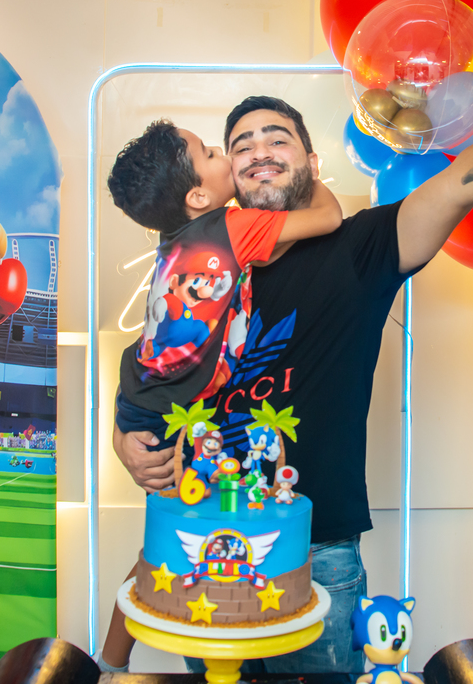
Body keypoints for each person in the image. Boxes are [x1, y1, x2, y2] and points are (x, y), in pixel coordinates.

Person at [110, 37, 473, 673]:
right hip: (204, 545)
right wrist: (122, 435)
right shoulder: (203, 270)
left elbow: (460, 185)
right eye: (241, 144)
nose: (259, 150)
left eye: (277, 137)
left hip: (318, 555)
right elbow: (150, 360)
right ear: (223, 181)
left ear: (312, 161)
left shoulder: (363, 246)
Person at [100, 119, 344, 669]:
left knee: (177, 536)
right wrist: (309, 171)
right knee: (170, 543)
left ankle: (111, 659)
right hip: (164, 412)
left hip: (142, 396)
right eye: (212, 152)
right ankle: (111, 662)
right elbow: (329, 217)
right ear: (197, 196)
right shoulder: (234, 228)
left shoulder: (175, 241)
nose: (225, 155)